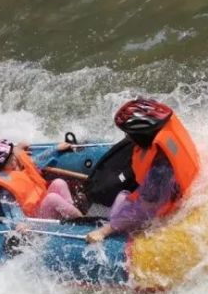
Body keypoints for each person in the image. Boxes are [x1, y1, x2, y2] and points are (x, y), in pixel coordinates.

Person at [86, 98, 201, 243]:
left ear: (142, 135)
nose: (127, 137)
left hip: (166, 213)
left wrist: (105, 230)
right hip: (184, 191)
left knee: (121, 197)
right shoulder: (166, 133)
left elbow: (143, 209)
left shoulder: (161, 169)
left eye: (129, 134)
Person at [0, 139, 83, 220]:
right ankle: (80, 219)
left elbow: (36, 161)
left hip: (41, 204)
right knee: (52, 198)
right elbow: (11, 208)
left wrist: (55, 149)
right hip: (37, 220)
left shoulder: (18, 169)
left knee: (58, 183)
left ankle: (71, 212)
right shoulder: (5, 188)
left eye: (12, 155)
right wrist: (20, 222)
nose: (14, 158)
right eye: (9, 160)